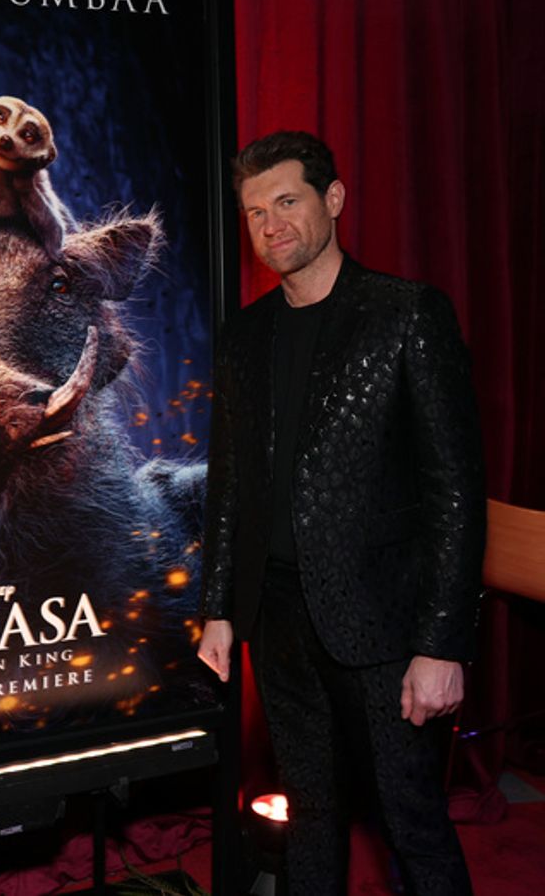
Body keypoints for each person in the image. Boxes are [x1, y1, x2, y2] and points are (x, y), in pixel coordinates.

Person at [198, 131, 485, 895]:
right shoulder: (245, 336)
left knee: (410, 816)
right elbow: (229, 483)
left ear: (333, 200)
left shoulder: (406, 315)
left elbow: (455, 489)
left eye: (286, 201)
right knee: (311, 812)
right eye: (255, 211)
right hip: (281, 617)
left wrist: (442, 642)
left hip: (389, 621)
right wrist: (219, 609)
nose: (270, 224)